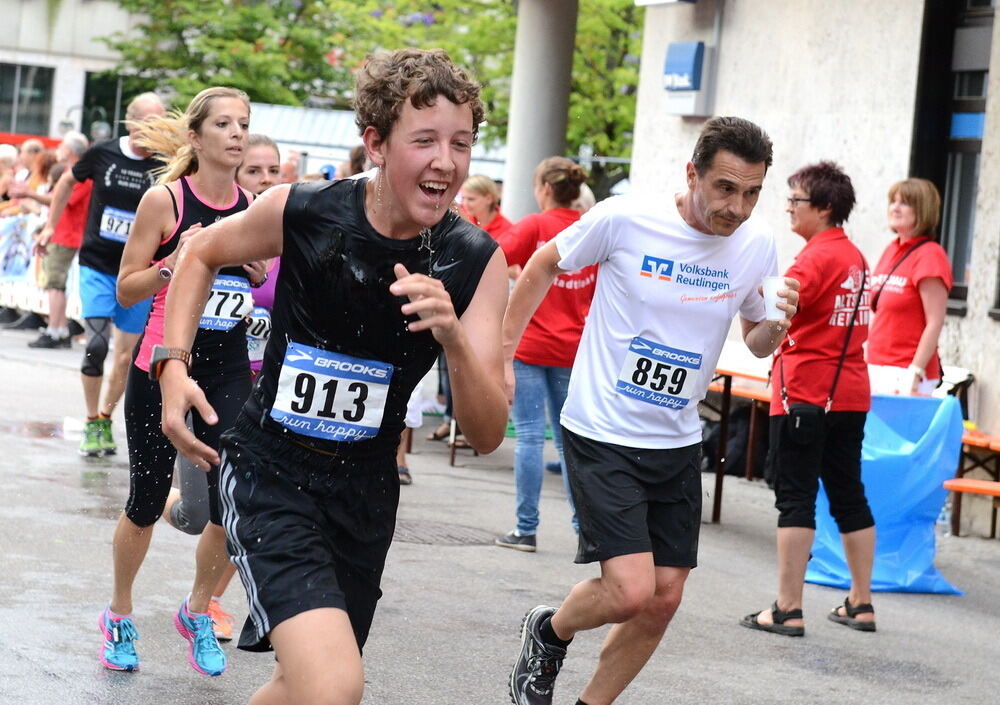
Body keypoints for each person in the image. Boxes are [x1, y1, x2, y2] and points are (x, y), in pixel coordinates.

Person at [157, 48, 508, 705]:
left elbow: (487, 433)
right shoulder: (308, 210)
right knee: (335, 686)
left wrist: (455, 338)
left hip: (365, 494)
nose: (446, 162)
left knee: (301, 687)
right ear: (375, 142)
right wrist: (172, 366)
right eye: (425, 140)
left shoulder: (476, 260)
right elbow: (199, 250)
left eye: (462, 143)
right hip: (272, 471)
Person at [503, 116, 798, 705]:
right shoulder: (625, 218)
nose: (737, 207)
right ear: (693, 173)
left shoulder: (757, 243)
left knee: (664, 599)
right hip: (602, 428)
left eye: (752, 192)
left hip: (678, 437)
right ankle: (550, 631)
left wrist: (775, 324)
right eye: (724, 188)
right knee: (631, 589)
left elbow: (756, 341)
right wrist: (501, 355)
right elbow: (541, 264)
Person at [101, 86, 261, 676]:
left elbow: (263, 281)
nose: (237, 133)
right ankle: (119, 613)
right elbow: (127, 288)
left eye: (243, 123)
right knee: (146, 498)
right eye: (224, 124)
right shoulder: (164, 201)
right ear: (196, 138)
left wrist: (255, 266)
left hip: (227, 364)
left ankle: (196, 610)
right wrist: (178, 261)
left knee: (230, 497)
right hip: (162, 360)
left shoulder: (254, 204)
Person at [740, 161, 876, 638]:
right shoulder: (856, 257)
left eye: (795, 200)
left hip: (803, 394)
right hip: (850, 392)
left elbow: (772, 326)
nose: (789, 208)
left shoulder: (810, 262)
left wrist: (748, 308)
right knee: (849, 495)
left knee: (794, 498)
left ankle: (787, 607)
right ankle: (861, 602)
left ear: (823, 207)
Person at [162, 132, 282, 642]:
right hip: (200, 378)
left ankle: (207, 602)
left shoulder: (280, 229)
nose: (265, 181)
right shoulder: (211, 228)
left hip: (260, 388)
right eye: (255, 171)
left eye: (273, 171)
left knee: (243, 499)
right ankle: (165, 499)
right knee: (197, 516)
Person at [38, 92, 166, 457]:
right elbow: (66, 183)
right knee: (95, 346)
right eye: (150, 124)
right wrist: (51, 226)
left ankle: (104, 418)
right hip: (97, 264)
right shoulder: (103, 152)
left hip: (141, 273)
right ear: (132, 123)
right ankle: (91, 417)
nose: (156, 132)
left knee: (126, 357)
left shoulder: (166, 163)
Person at [494, 157, 595, 552]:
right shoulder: (590, 228)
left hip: (531, 346)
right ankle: (584, 531)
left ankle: (525, 529)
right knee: (572, 445)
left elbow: (493, 255)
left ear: (545, 189)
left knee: (531, 438)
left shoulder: (536, 226)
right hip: (574, 348)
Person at [866, 178, 951, 396]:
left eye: (904, 203)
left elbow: (935, 322)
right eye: (892, 201)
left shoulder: (930, 255)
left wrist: (914, 372)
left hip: (906, 372)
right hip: (875, 365)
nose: (894, 207)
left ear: (922, 210)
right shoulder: (892, 250)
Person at [29, 131, 91, 349]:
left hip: (66, 234)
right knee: (54, 283)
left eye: (63, 145)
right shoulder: (74, 172)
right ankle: (58, 328)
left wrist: (29, 195)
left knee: (55, 283)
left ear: (71, 150)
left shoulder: (80, 174)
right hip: (62, 232)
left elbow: (65, 200)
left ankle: (56, 330)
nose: (59, 148)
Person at [460, 174, 512, 240]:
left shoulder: (507, 230)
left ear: (489, 199)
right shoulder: (462, 218)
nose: (465, 203)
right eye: (463, 198)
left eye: (471, 199)